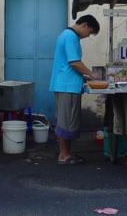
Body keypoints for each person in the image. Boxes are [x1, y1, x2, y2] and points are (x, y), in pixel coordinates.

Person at [49, 15, 100, 165]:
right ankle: (64, 156)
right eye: (89, 32)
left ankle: (67, 153)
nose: (88, 36)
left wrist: (83, 78)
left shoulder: (68, 35)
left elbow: (68, 64)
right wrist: (91, 74)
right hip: (66, 86)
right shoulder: (70, 37)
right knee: (66, 122)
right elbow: (74, 63)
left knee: (67, 121)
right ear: (84, 25)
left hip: (67, 84)